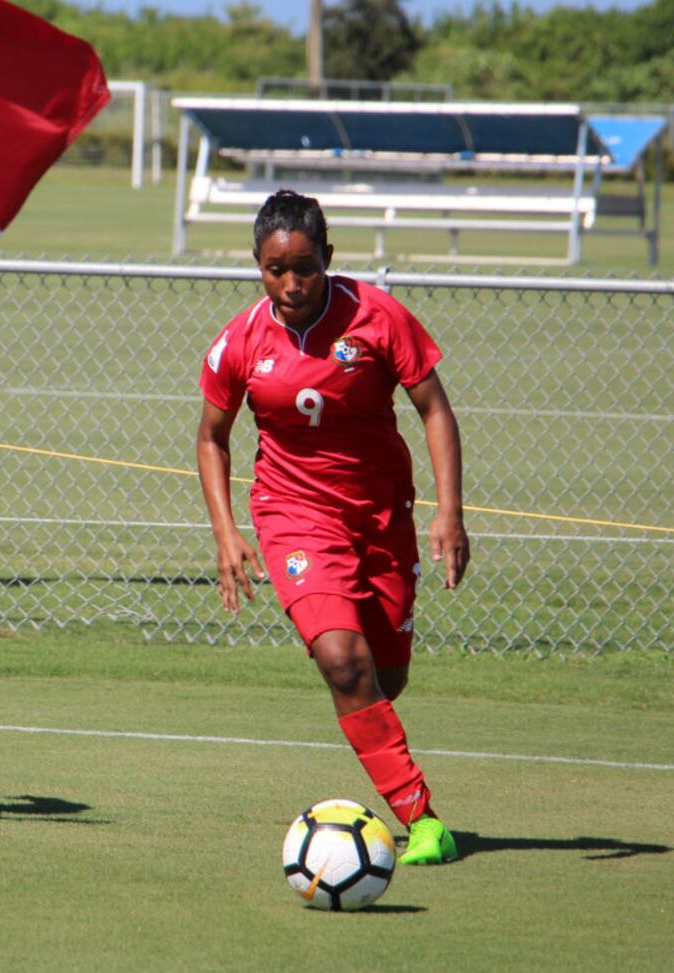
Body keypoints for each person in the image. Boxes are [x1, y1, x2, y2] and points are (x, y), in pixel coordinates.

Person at [196, 190, 470, 865]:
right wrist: (226, 532)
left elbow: (435, 408)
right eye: (274, 269)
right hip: (293, 519)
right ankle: (422, 819)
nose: (291, 283)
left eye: (306, 267)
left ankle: (344, 655)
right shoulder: (241, 340)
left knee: (382, 678)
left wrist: (450, 509)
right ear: (257, 265)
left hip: (382, 519)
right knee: (344, 662)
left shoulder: (378, 317)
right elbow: (210, 437)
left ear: (329, 258)